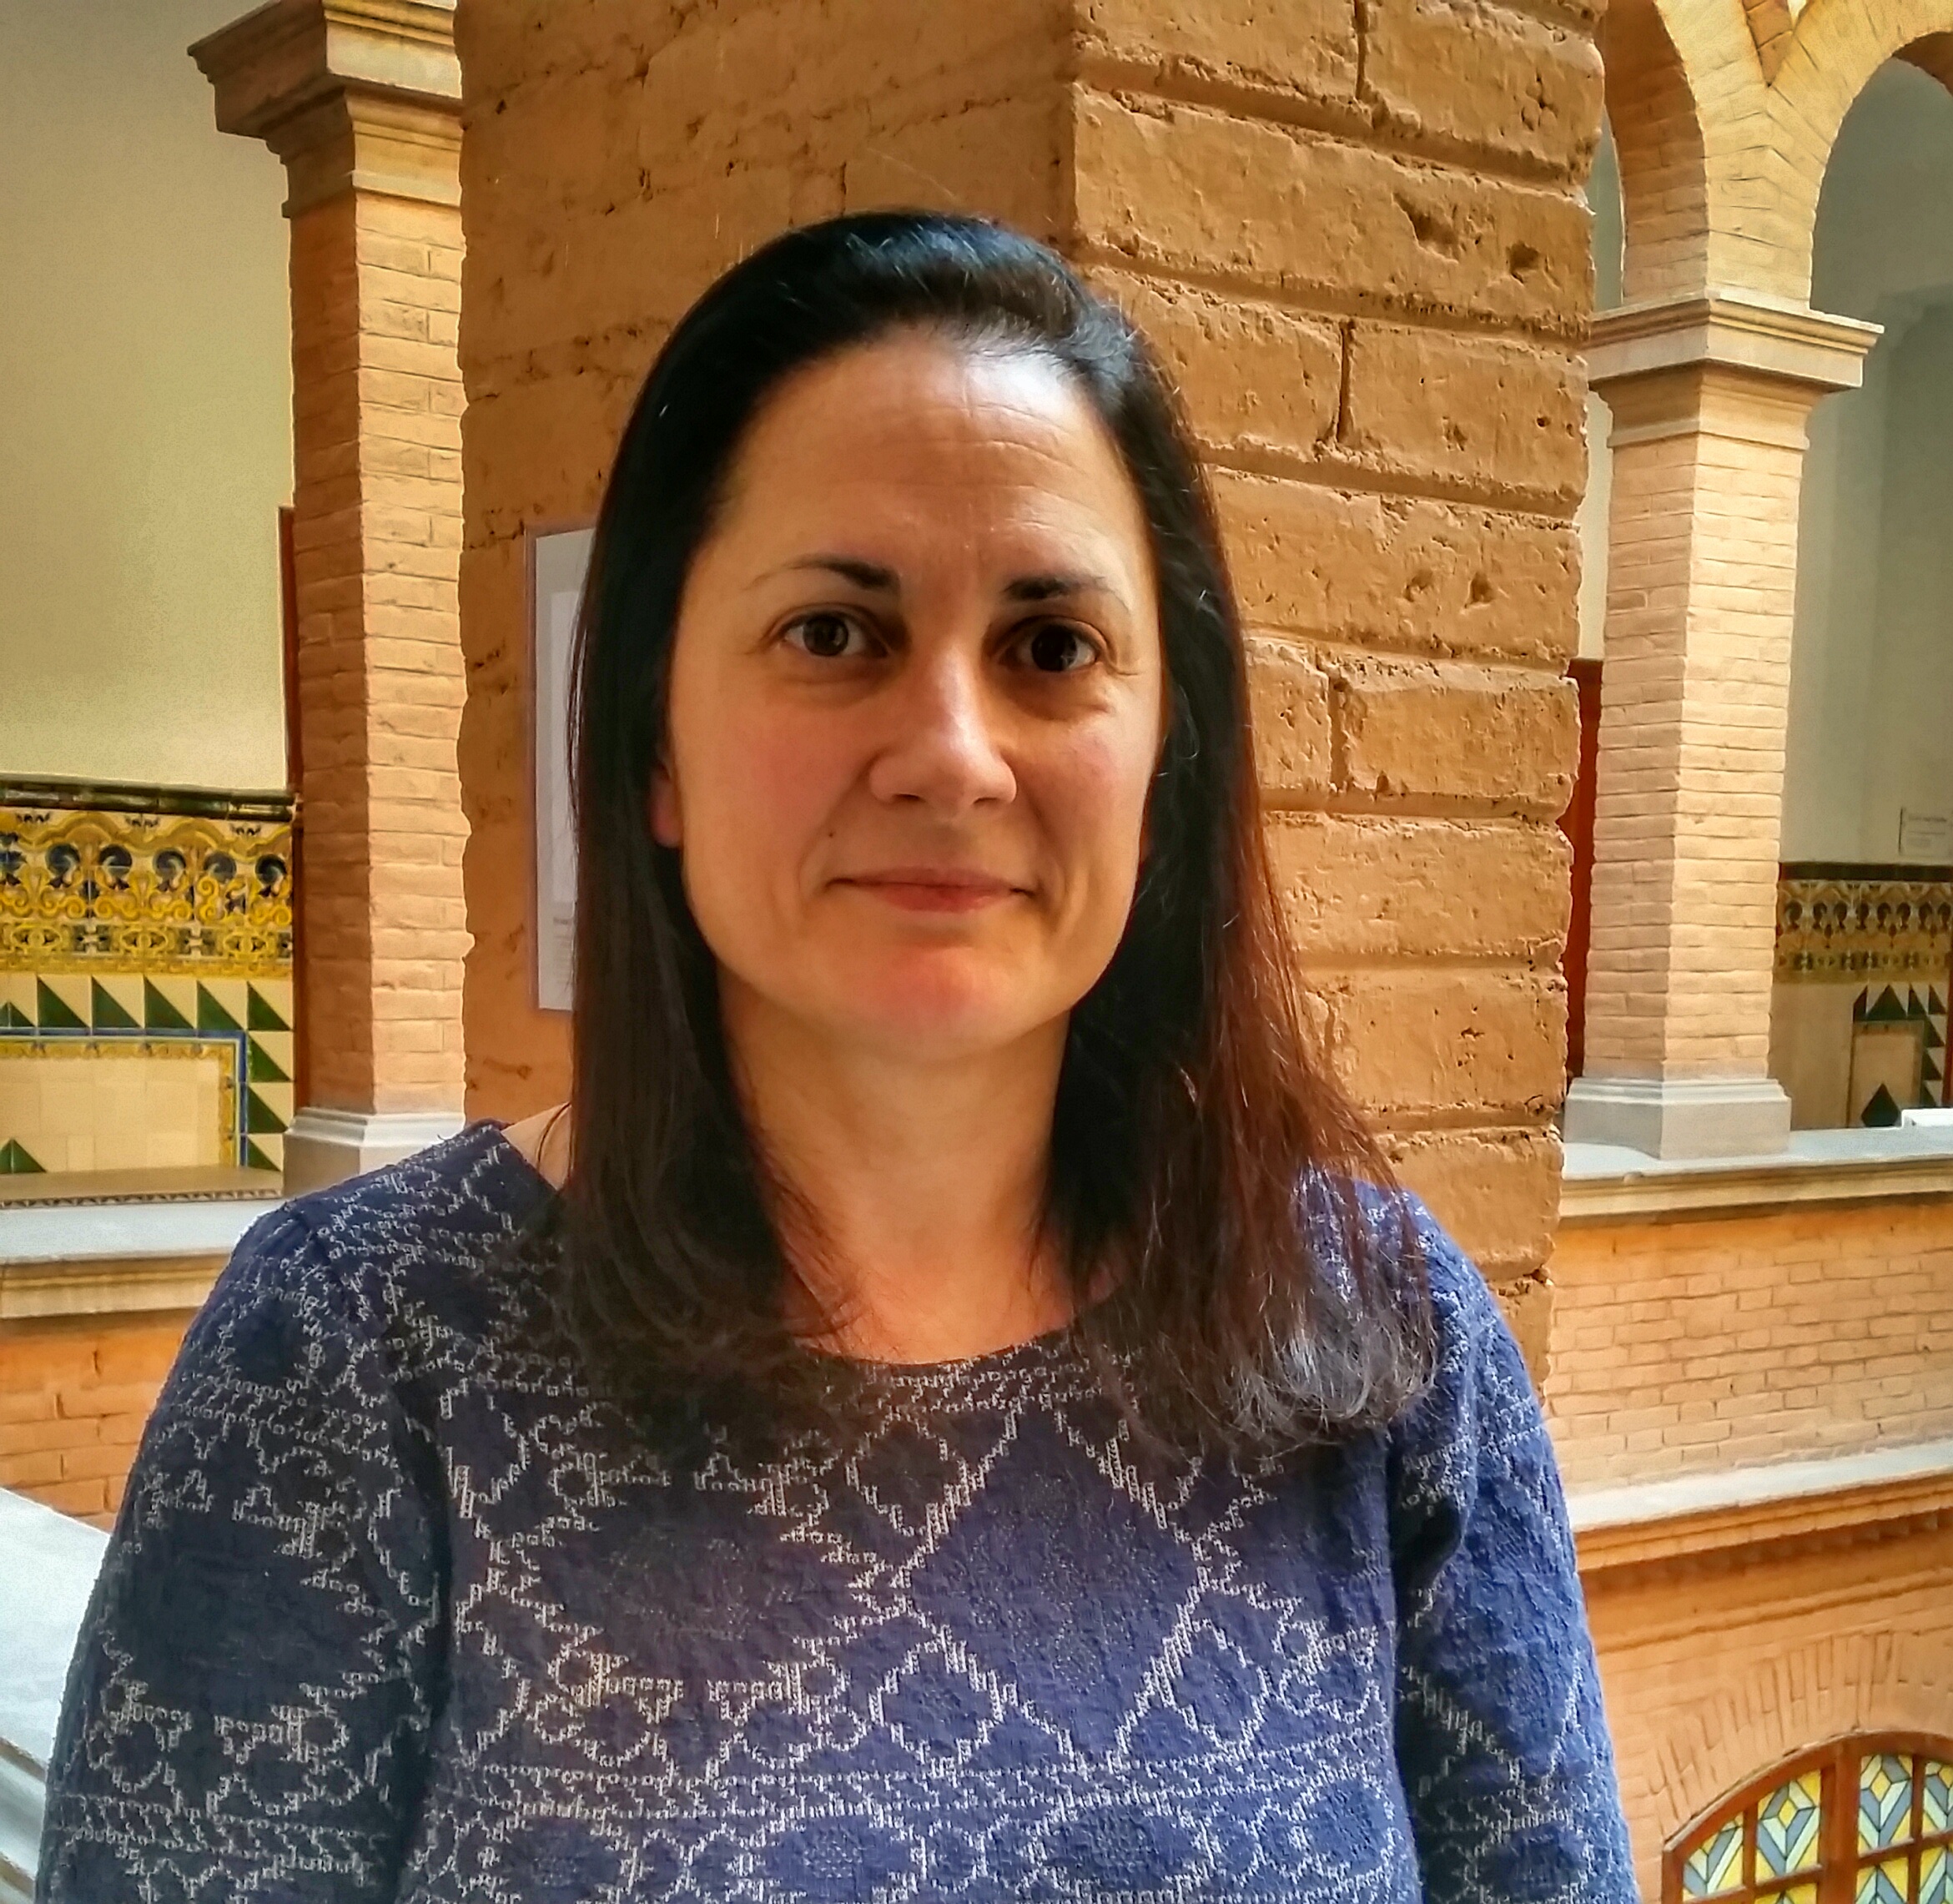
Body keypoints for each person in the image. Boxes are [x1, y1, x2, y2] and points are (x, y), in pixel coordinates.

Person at [38, 212, 1637, 1903]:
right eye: (833, 633)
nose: (952, 753)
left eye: (1050, 648)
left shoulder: (1384, 1341)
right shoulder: (353, 1353)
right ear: (655, 745)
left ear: (1164, 762)